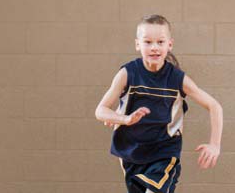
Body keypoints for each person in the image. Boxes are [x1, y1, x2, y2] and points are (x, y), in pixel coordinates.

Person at [95, 14, 223, 193]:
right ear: (137, 44)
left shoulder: (177, 79)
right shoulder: (127, 73)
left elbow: (214, 106)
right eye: (148, 42)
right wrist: (123, 118)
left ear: (169, 44)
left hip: (164, 151)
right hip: (131, 152)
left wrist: (215, 144)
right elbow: (100, 111)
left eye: (160, 42)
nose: (154, 47)